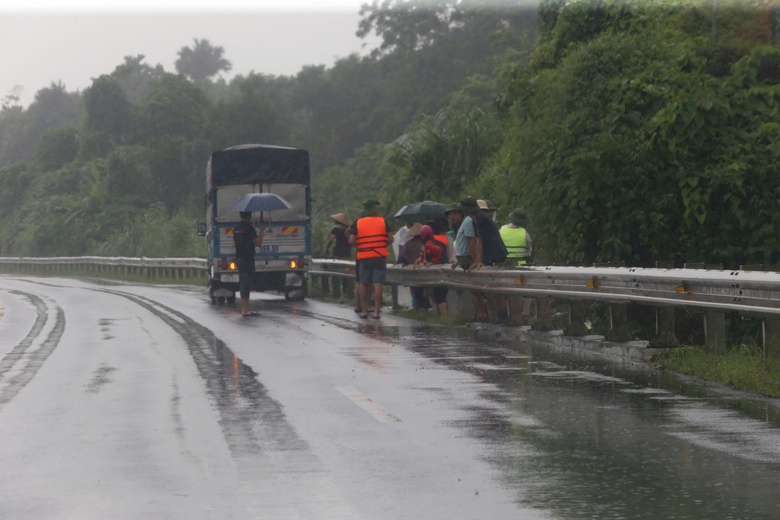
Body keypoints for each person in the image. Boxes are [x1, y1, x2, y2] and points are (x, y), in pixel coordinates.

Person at [348, 199, 394, 319]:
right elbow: (390, 239)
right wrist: (381, 245)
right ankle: (377, 312)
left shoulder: (358, 222)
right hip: (379, 256)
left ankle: (364, 310)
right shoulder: (382, 221)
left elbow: (352, 240)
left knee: (363, 283)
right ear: (375, 211)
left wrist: (361, 247)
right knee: (378, 283)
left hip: (364, 257)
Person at [233, 211, 265, 317]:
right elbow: (258, 243)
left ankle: (245, 307)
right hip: (248, 258)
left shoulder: (236, 229)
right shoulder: (249, 228)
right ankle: (245, 310)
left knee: (243, 282)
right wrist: (261, 231)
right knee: (246, 283)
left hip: (239, 258)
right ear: (249, 216)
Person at [416, 224, 449, 315]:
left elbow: (437, 251)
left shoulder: (428, 244)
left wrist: (433, 262)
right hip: (444, 269)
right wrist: (421, 260)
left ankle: (444, 317)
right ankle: (444, 317)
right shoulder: (438, 242)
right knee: (441, 296)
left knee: (439, 297)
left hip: (438, 271)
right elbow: (424, 255)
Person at [395, 223, 429, 311]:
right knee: (424, 290)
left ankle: (416, 307)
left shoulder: (408, 244)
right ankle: (424, 308)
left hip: (412, 269)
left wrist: (400, 263)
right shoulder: (425, 243)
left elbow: (402, 257)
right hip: (425, 269)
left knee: (415, 289)